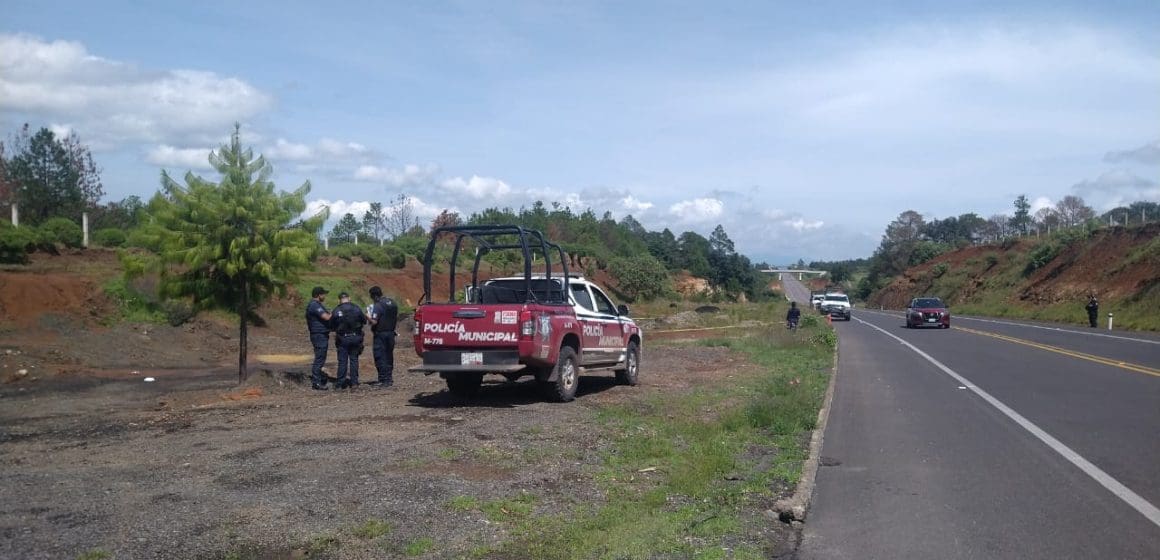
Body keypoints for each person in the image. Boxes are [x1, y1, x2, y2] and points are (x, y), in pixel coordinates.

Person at [330, 292, 367, 389]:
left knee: (342, 361)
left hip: (343, 338)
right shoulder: (356, 308)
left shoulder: (336, 310)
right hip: (355, 337)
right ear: (349, 298)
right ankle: (354, 382)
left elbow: (331, 325)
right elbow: (364, 321)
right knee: (354, 359)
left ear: (339, 300)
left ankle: (340, 383)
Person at [367, 286, 399, 388]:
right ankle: (389, 378)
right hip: (391, 333)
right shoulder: (392, 303)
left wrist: (367, 316)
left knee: (380, 356)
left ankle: (383, 380)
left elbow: (374, 321)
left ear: (374, 296)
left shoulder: (378, 305)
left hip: (380, 334)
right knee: (389, 356)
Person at [305, 286, 332, 390]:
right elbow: (327, 317)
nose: (325, 296)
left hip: (321, 334)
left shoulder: (317, 305)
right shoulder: (314, 305)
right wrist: (337, 312)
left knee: (321, 357)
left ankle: (318, 379)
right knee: (319, 358)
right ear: (319, 295)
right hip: (318, 335)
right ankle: (316, 382)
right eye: (323, 294)